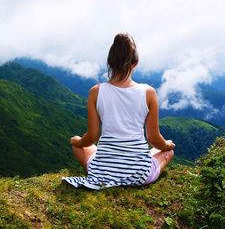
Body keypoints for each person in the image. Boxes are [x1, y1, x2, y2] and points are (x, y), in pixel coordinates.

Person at [62, 33, 175, 190]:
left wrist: (78, 142)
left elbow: (92, 136)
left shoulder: (96, 91)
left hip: (102, 172)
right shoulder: (148, 92)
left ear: (110, 62)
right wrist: (167, 145)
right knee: (167, 152)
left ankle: (106, 170)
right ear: (136, 62)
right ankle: (132, 168)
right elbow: (154, 139)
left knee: (78, 145)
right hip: (139, 174)